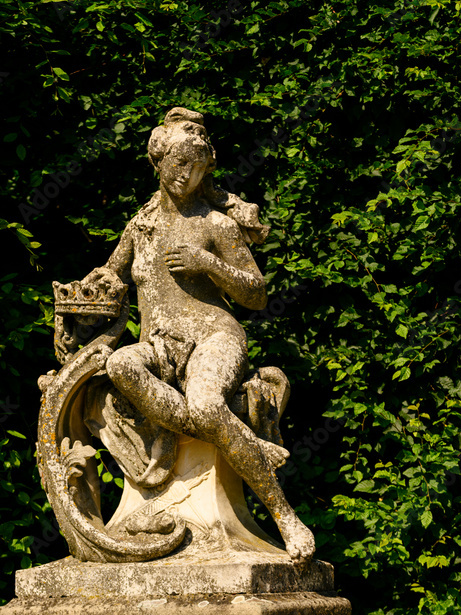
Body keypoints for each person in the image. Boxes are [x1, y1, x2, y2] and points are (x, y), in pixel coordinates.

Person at [99, 107, 315, 562]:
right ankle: (242, 439)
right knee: (119, 364)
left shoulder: (215, 224)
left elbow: (256, 293)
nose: (188, 177)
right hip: (159, 346)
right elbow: (110, 277)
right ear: (159, 161)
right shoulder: (141, 225)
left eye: (198, 169)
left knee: (203, 402)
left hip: (213, 337)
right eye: (181, 165)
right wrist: (87, 291)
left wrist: (208, 264)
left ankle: (284, 514)